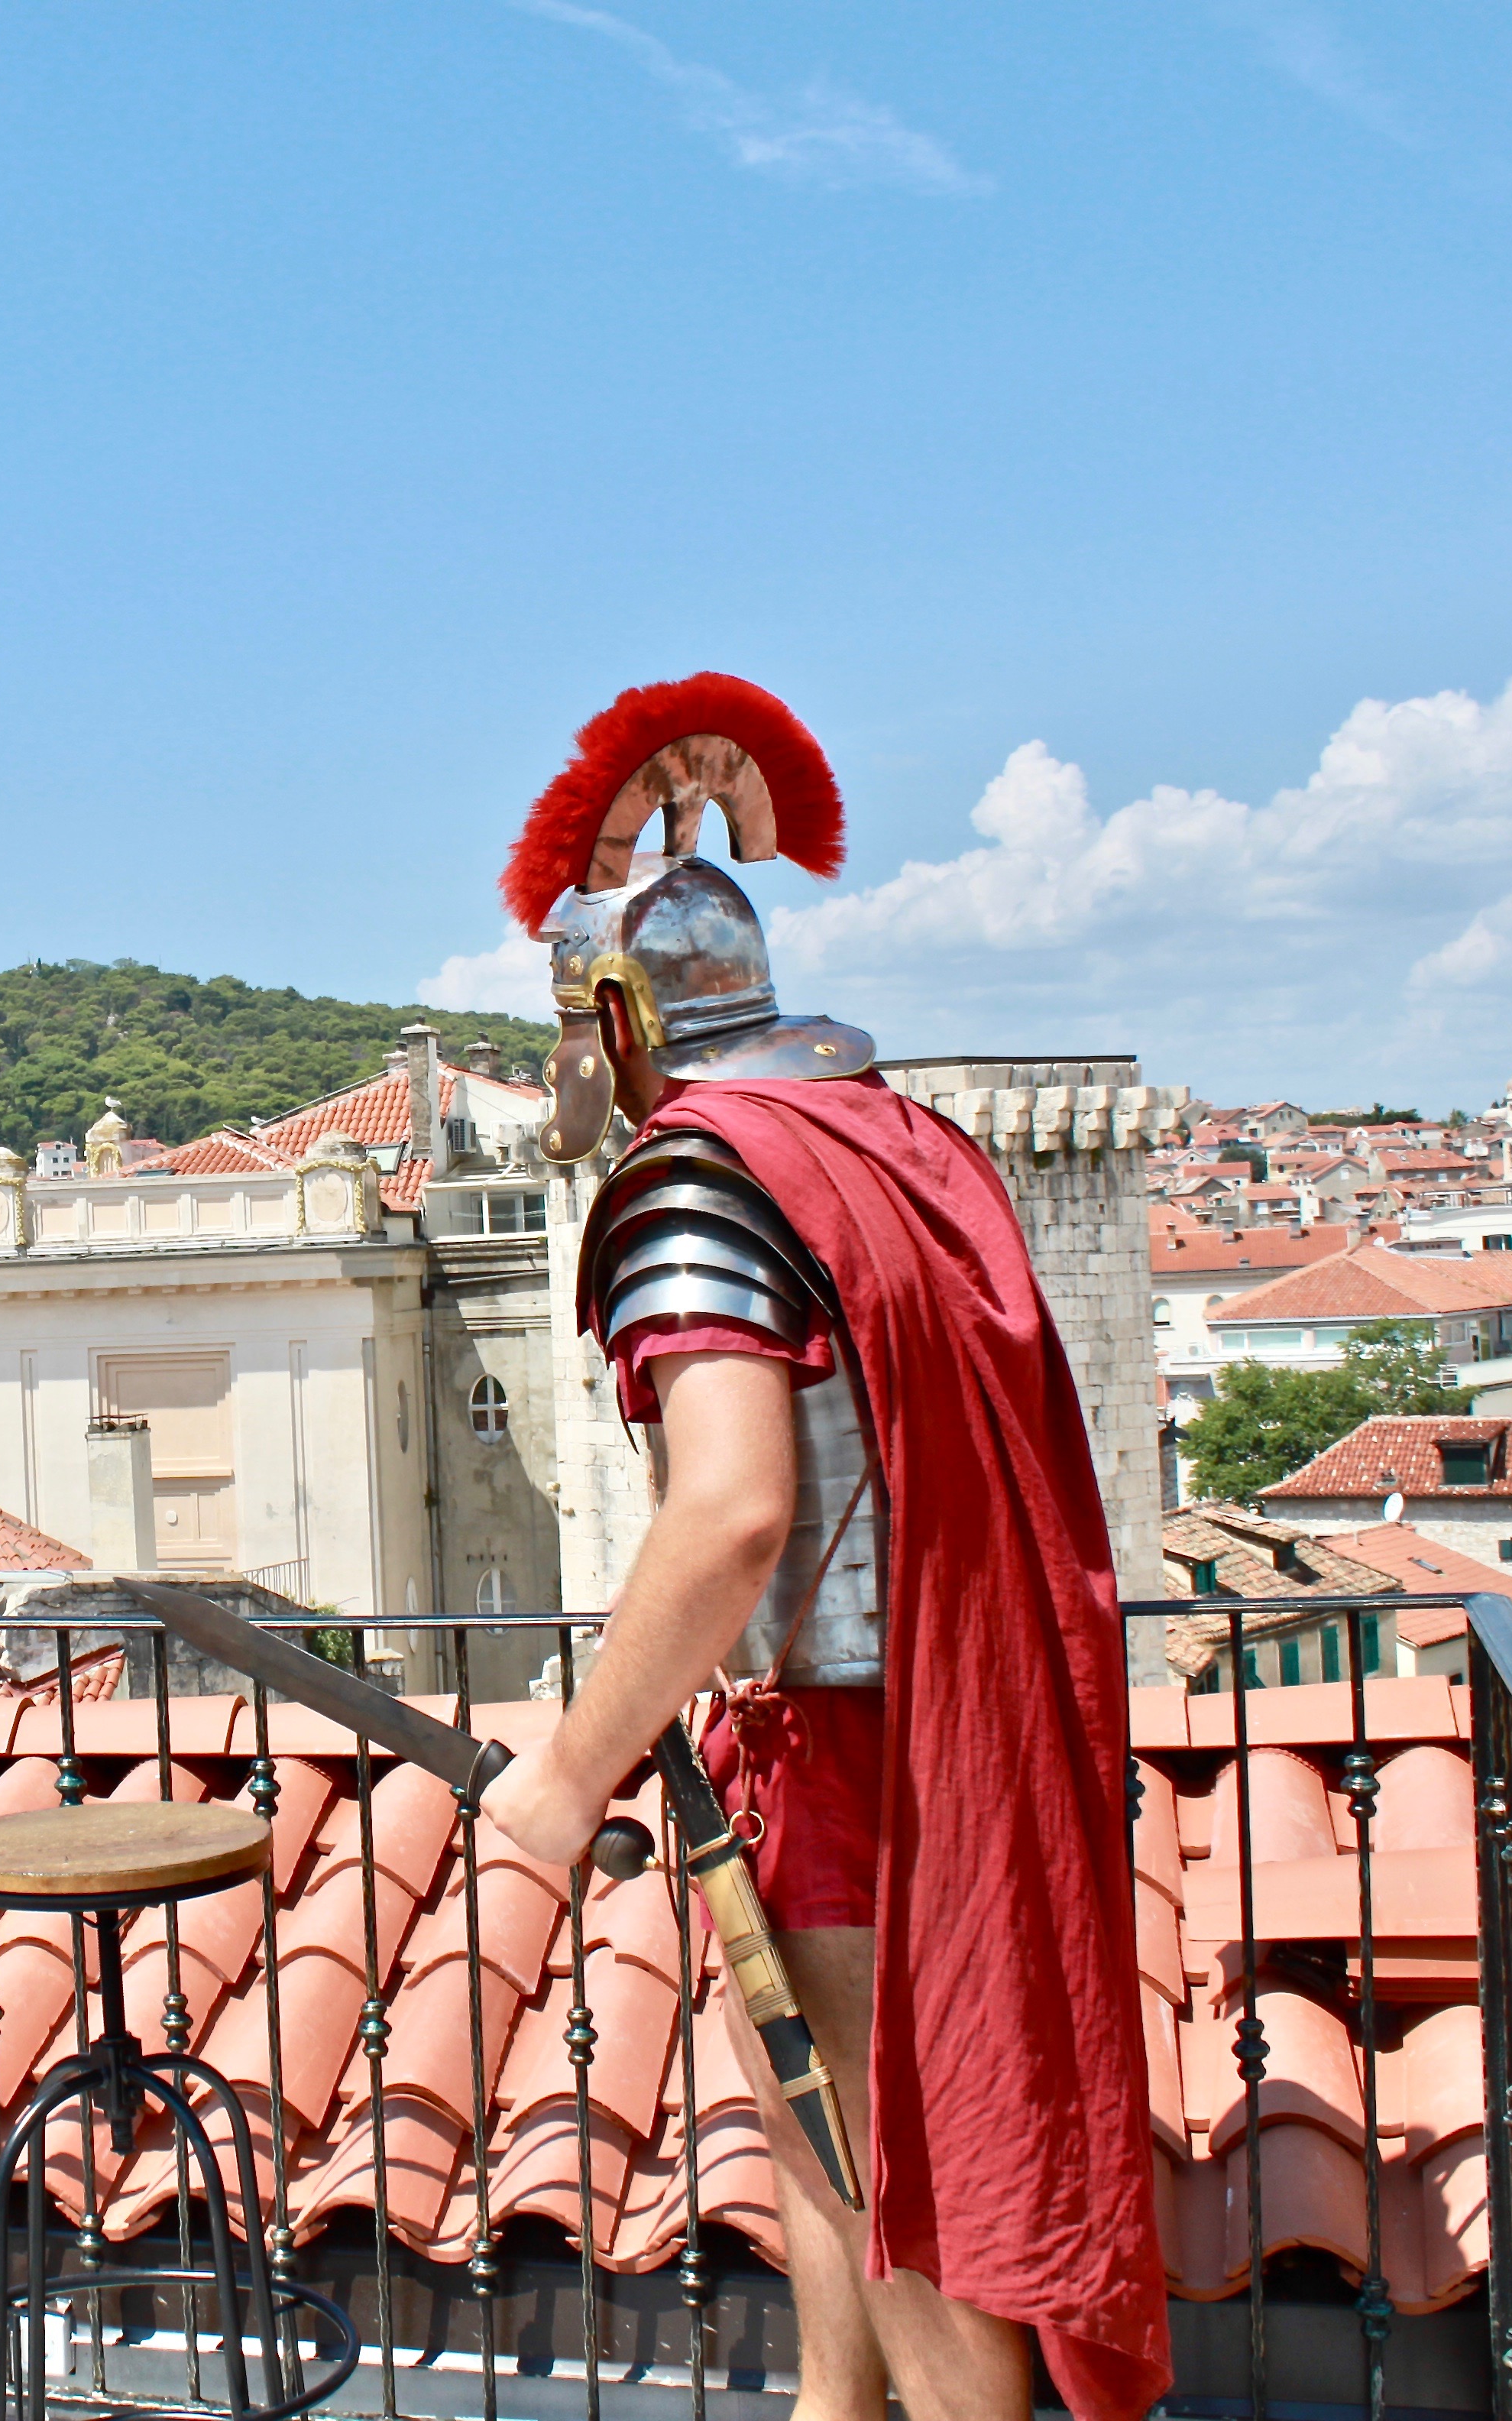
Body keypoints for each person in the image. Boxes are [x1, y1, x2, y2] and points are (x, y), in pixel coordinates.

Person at [472, 679, 1169, 2421]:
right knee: (828, 2151)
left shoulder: (697, 1178)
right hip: (935, 1721)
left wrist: (566, 1773)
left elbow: (731, 1511)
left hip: (847, 1746)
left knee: (902, 2197)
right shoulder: (888, 1134)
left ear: (619, 1018)